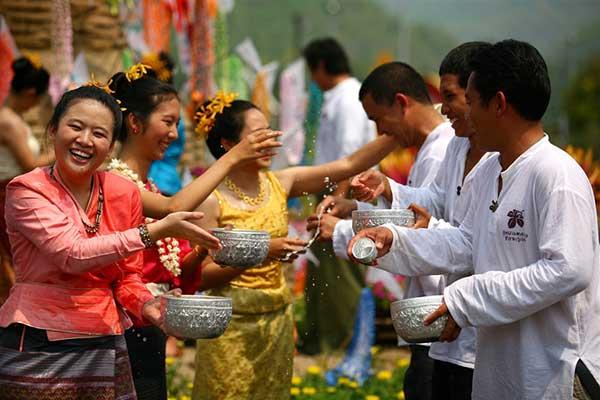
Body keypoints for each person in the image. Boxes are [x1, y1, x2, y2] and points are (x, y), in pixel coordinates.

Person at [348, 40, 600, 400]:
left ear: (498, 104)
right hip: (500, 363)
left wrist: (468, 296)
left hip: (550, 369)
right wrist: (396, 241)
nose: (461, 113)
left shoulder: (555, 174)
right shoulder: (490, 170)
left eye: (471, 101)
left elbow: (570, 269)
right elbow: (467, 241)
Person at [0, 85, 216, 399]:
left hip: (104, 340)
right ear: (53, 130)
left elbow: (127, 276)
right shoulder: (27, 190)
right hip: (38, 341)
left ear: (112, 146)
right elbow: (71, 254)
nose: (85, 140)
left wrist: (146, 305)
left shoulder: (122, 192)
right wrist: (152, 232)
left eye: (99, 134)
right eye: (75, 127)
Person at [192, 94, 397, 400]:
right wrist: (261, 252)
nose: (271, 141)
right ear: (227, 144)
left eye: (271, 132)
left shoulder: (280, 182)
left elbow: (349, 164)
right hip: (230, 327)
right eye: (258, 135)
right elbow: (200, 276)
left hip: (277, 322)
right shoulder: (212, 199)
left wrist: (403, 129)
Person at [105, 66, 281, 400]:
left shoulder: (149, 186)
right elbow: (172, 210)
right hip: (123, 328)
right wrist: (232, 159)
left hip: (151, 327)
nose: (174, 134)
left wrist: (202, 249)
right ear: (134, 123)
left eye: (176, 124)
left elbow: (181, 276)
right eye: (167, 122)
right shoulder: (117, 183)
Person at [341, 42, 493, 400]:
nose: (449, 109)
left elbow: (465, 238)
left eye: (456, 97)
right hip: (448, 314)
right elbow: (438, 202)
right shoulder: (458, 145)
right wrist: (388, 189)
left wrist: (401, 236)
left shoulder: (522, 164)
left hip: (468, 314)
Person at [310, 61, 454, 400]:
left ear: (402, 103)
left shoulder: (440, 150)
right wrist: (357, 210)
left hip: (436, 312)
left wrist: (345, 230)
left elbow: (424, 232)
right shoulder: (434, 147)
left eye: (378, 119)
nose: (380, 134)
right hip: (432, 314)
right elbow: (414, 214)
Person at [300, 37, 377, 354]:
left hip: (342, 190)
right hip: (330, 188)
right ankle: (317, 338)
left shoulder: (348, 99)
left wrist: (337, 199)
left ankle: (344, 341)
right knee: (321, 268)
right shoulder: (337, 97)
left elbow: (350, 156)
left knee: (342, 269)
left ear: (320, 66)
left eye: (312, 70)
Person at [0, 56, 54, 303]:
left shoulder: (14, 118)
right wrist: (61, 152)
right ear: (31, 93)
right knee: (11, 260)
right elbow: (29, 164)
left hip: (16, 193)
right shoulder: (7, 121)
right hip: (5, 194)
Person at [142, 51, 186, 196]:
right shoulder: (177, 113)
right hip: (169, 181)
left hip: (160, 181)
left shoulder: (158, 112)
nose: (173, 133)